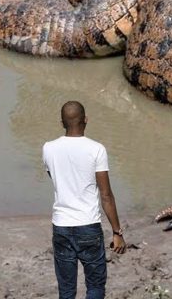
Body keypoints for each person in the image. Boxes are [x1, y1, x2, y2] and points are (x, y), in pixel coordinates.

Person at [42, 100, 126, 299]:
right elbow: (105, 195)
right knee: (95, 286)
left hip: (61, 226)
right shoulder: (96, 149)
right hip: (88, 226)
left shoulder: (48, 148)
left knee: (66, 290)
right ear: (86, 120)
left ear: (62, 123)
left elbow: (56, 180)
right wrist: (117, 231)